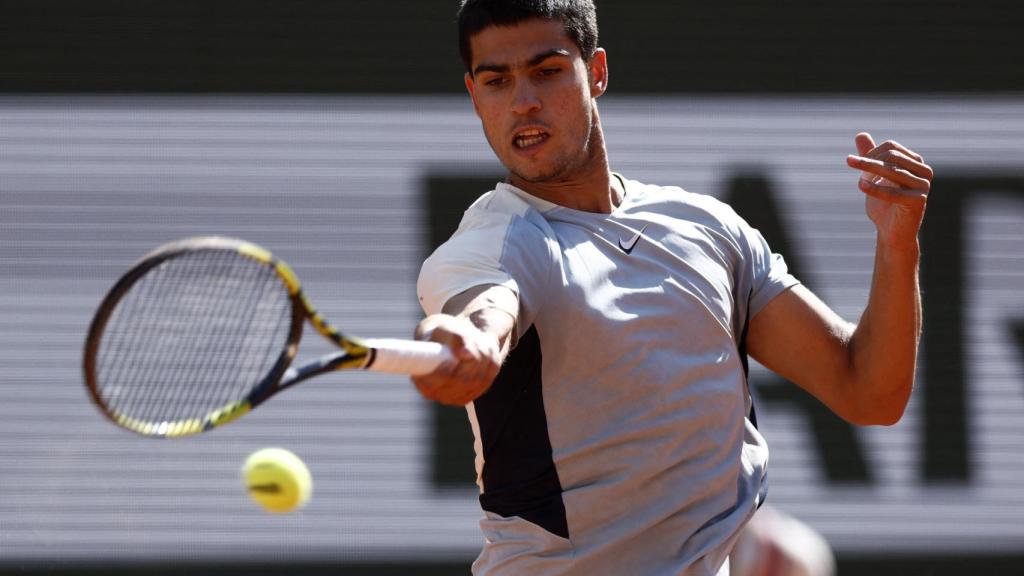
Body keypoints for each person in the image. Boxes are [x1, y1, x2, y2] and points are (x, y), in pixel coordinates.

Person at [412, 1, 933, 574]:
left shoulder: (709, 229)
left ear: (598, 72)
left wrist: (897, 243)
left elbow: (869, 391)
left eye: (548, 70)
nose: (523, 101)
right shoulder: (489, 246)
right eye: (496, 81)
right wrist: (474, 341)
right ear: (473, 96)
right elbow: (487, 309)